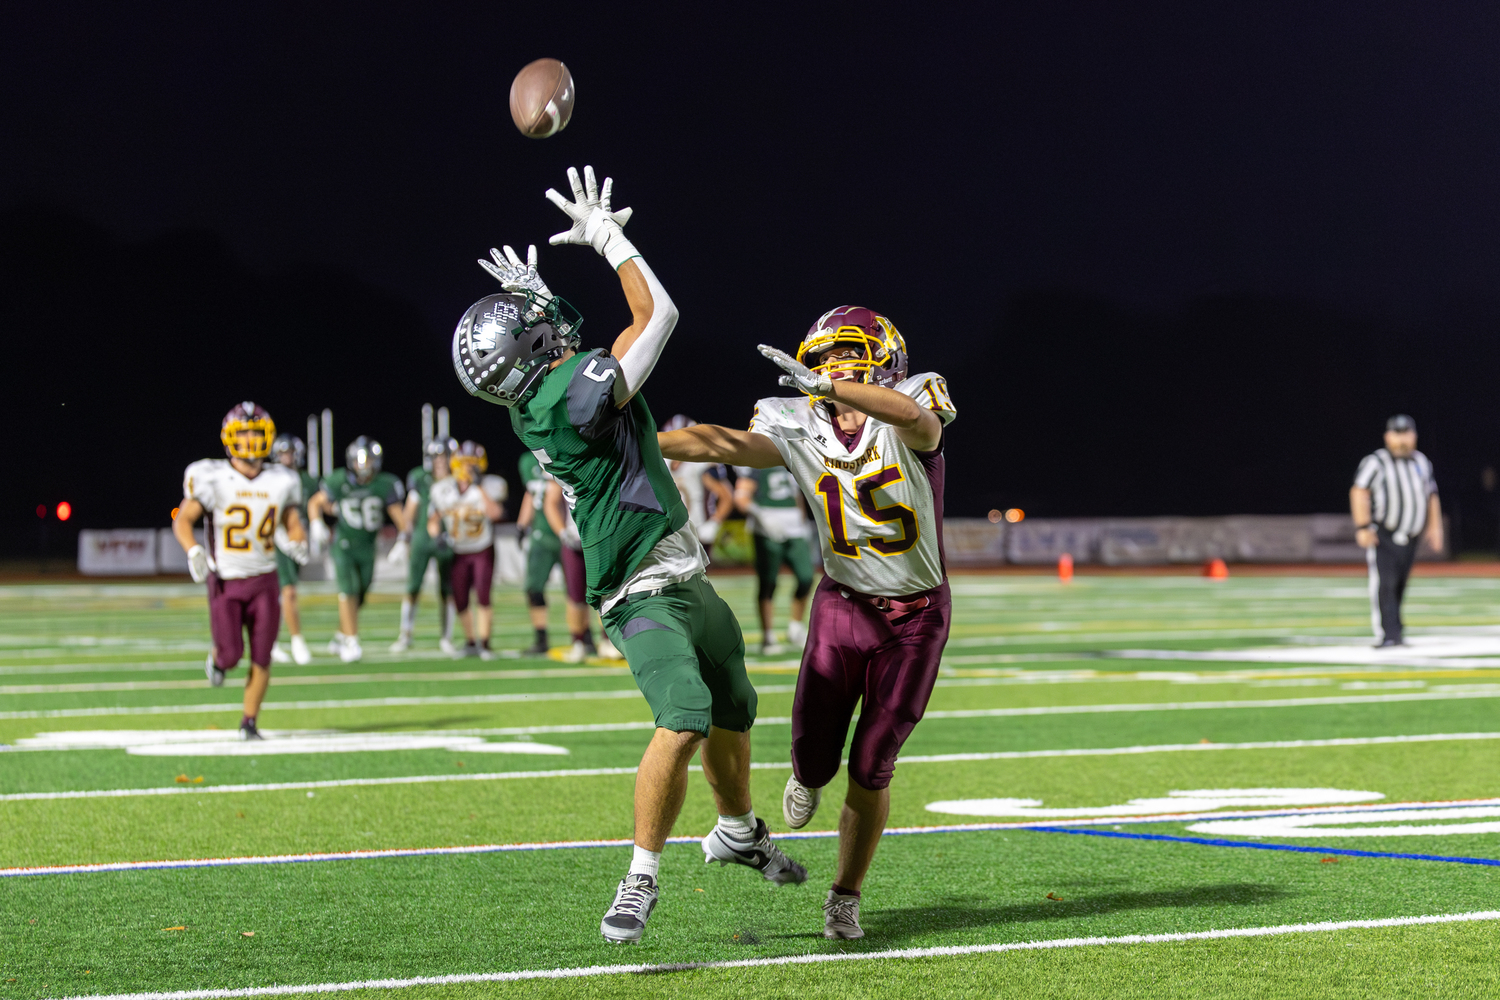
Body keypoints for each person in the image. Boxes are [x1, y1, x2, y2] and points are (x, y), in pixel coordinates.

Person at [454, 168, 804, 944]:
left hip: (688, 577)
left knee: (735, 712)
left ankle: (739, 830)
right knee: (683, 718)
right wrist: (610, 237)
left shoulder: (548, 398)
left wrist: (537, 299)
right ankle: (640, 877)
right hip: (640, 592)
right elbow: (658, 315)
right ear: (536, 350)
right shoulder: (570, 396)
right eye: (536, 322)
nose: (548, 319)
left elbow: (632, 401)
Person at [658, 305, 956, 940]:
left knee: (874, 760)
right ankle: (806, 774)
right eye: (826, 359)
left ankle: (845, 893)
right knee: (813, 757)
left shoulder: (911, 398)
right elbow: (724, 443)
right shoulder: (794, 419)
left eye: (850, 356)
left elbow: (916, 421)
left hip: (916, 614)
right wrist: (635, 442)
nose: (835, 367)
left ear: (884, 360)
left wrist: (835, 388)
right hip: (843, 602)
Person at [173, 402, 308, 740]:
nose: (249, 439)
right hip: (226, 581)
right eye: (243, 432)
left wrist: (298, 540)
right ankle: (219, 661)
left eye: (255, 432)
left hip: (265, 578)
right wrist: (193, 549)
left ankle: (249, 722)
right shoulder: (212, 477)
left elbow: (293, 523)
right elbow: (183, 521)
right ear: (229, 437)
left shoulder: (283, 479)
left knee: (262, 656)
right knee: (233, 655)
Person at [307, 437, 407, 663]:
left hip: (368, 547)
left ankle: (341, 634)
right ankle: (352, 641)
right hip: (343, 545)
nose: (363, 465)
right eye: (360, 460)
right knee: (347, 591)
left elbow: (399, 517)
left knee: (360, 595)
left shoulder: (384, 483)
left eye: (368, 460)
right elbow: (315, 502)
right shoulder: (339, 480)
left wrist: (403, 540)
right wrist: (316, 523)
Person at [1351, 414, 1443, 647]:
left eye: (1406, 434)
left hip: (1411, 535)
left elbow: (1431, 495)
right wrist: (1362, 526)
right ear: (1387, 437)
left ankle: (1396, 631)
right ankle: (1388, 634)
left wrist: (1435, 527)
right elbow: (1359, 491)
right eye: (1397, 434)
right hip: (1385, 534)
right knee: (1386, 583)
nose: (1402, 440)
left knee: (1400, 583)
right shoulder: (1376, 462)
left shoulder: (1421, 462)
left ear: (1414, 436)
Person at [428, 440, 504, 658]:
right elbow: (433, 520)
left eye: (473, 464)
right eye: (465, 463)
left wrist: (479, 487)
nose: (468, 468)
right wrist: (437, 535)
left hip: (482, 548)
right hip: (458, 551)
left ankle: (485, 644)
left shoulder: (488, 486)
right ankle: (471, 641)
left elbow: (496, 513)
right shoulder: (441, 489)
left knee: (483, 595)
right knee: (460, 598)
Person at [734, 465, 814, 655]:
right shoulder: (755, 465)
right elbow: (741, 498)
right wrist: (760, 514)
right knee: (768, 582)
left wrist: (803, 523)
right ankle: (768, 636)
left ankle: (795, 628)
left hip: (794, 527)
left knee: (806, 577)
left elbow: (797, 496)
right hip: (766, 528)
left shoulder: (791, 460)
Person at [392, 438, 458, 655]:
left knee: (448, 590)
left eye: (443, 456)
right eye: (435, 457)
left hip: (448, 538)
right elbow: (410, 511)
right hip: (422, 537)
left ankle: (447, 638)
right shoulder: (420, 478)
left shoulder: (458, 478)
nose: (439, 461)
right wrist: (404, 538)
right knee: (412, 587)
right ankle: (405, 634)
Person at [268, 433, 317, 665]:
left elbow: (314, 508)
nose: (287, 458)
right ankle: (297, 641)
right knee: (288, 592)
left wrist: (317, 527)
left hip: (298, 542)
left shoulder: (307, 480)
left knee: (281, 595)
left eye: (290, 453)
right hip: (277, 542)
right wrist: (283, 540)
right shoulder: (269, 480)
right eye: (283, 453)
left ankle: (272, 642)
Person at [662, 415, 733, 559]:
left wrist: (714, 523)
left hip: (698, 529)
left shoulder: (701, 463)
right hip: (669, 530)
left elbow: (726, 496)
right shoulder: (661, 463)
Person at [516, 450, 563, 655]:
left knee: (581, 590)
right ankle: (541, 637)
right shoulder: (527, 461)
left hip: (569, 533)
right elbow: (531, 492)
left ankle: (587, 636)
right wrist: (521, 524)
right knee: (534, 588)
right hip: (541, 535)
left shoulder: (565, 450)